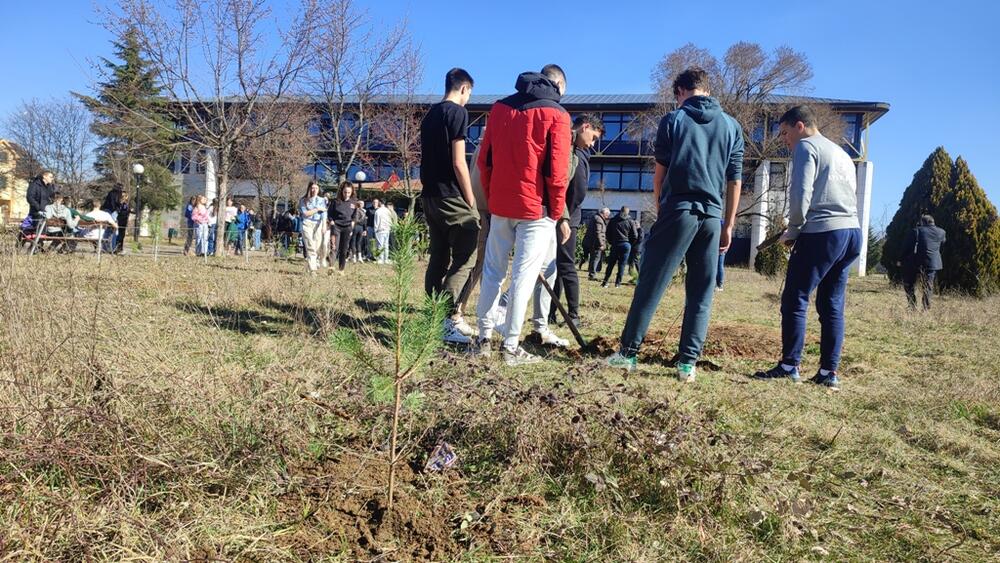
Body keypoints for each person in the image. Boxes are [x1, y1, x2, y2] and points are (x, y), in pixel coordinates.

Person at [606, 67, 744, 381]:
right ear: (706, 89)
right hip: (712, 215)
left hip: (679, 209)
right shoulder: (732, 126)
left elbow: (660, 175)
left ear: (680, 91)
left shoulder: (674, 120)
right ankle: (687, 365)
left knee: (652, 282)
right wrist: (729, 224)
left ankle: (627, 354)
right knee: (701, 291)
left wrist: (661, 208)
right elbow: (734, 181)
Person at [752, 105, 863, 391]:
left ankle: (789, 365)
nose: (784, 140)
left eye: (785, 133)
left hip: (822, 232)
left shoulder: (806, 148)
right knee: (832, 304)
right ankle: (829, 372)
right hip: (851, 232)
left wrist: (794, 230)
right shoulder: (841, 154)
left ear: (799, 126)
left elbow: (800, 192)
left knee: (795, 298)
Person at [475, 64, 572, 365]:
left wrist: (493, 197)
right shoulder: (558, 116)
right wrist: (556, 212)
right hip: (537, 209)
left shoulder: (499, 109)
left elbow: (484, 160)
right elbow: (557, 172)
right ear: (558, 87)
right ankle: (511, 346)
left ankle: (482, 338)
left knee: (492, 271)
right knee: (524, 276)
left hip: (502, 204)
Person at [420, 67, 480, 345]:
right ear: (464, 88)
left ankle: (435, 319)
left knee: (439, 256)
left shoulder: (430, 114)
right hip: (450, 196)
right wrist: (471, 200)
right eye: (469, 93)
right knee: (467, 255)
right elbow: (459, 161)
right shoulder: (457, 112)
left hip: (429, 195)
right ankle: (446, 320)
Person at [542, 114, 604, 331]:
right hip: (561, 215)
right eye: (593, 137)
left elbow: (578, 190)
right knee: (556, 265)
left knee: (564, 264)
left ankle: (573, 313)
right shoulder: (570, 149)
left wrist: (566, 215)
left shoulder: (579, 153)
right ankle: (551, 311)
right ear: (585, 127)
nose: (593, 144)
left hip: (568, 216)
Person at [899, 214, 946, 311]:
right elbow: (942, 244)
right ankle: (926, 308)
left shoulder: (917, 231)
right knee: (928, 286)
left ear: (922, 222)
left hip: (915, 262)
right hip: (933, 263)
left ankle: (912, 305)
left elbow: (907, 247)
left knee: (909, 283)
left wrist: (901, 259)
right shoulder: (941, 232)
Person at [602, 207, 638, 288]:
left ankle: (605, 281)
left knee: (611, 264)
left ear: (620, 211)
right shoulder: (631, 221)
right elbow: (635, 235)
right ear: (628, 213)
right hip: (626, 244)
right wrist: (629, 243)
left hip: (615, 244)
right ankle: (618, 283)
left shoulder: (613, 220)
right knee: (622, 265)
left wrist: (611, 242)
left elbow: (608, 233)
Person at [298, 182, 329, 274]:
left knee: (316, 247)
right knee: (310, 246)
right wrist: (317, 209)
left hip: (318, 224)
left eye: (316, 188)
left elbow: (324, 213)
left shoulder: (322, 200)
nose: (314, 190)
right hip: (307, 223)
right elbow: (306, 214)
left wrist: (324, 225)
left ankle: (309, 265)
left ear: (319, 190)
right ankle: (313, 270)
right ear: (309, 189)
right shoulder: (303, 200)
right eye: (312, 188)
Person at [330, 181, 359, 273]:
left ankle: (341, 269)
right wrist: (332, 222)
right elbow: (330, 214)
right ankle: (331, 267)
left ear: (351, 193)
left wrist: (352, 225)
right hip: (336, 227)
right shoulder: (335, 202)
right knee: (334, 247)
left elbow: (355, 216)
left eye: (348, 193)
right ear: (342, 191)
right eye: (345, 192)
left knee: (344, 249)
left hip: (347, 227)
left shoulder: (354, 203)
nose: (346, 194)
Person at [581, 208, 609, 280]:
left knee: (593, 258)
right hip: (595, 243)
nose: (608, 216)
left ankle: (591, 272)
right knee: (596, 258)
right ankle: (592, 275)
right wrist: (601, 244)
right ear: (604, 213)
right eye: (607, 215)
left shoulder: (595, 218)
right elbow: (598, 233)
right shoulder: (599, 220)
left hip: (591, 242)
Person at [373, 198, 393, 264]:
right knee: (386, 245)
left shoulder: (378, 211)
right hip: (387, 230)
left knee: (380, 245)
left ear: (380, 203)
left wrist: (375, 230)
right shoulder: (388, 211)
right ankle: (386, 259)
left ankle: (380, 259)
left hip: (380, 230)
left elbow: (376, 222)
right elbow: (390, 220)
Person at [716, 220, 727, 291]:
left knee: (718, 265)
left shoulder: (717, 222)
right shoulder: (723, 223)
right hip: (722, 245)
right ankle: (719, 285)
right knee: (720, 265)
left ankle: (719, 285)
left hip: (718, 246)